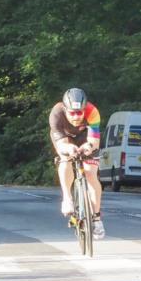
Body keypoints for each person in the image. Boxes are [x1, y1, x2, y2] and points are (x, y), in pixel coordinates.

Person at [49, 87, 105, 240]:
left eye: (79, 112)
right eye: (72, 113)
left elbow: (94, 140)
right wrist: (68, 148)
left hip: (85, 137)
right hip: (65, 139)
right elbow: (61, 144)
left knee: (90, 172)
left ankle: (96, 218)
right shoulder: (56, 113)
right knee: (65, 159)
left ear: (84, 108)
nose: (76, 117)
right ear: (65, 109)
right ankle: (67, 198)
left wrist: (88, 147)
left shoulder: (92, 112)